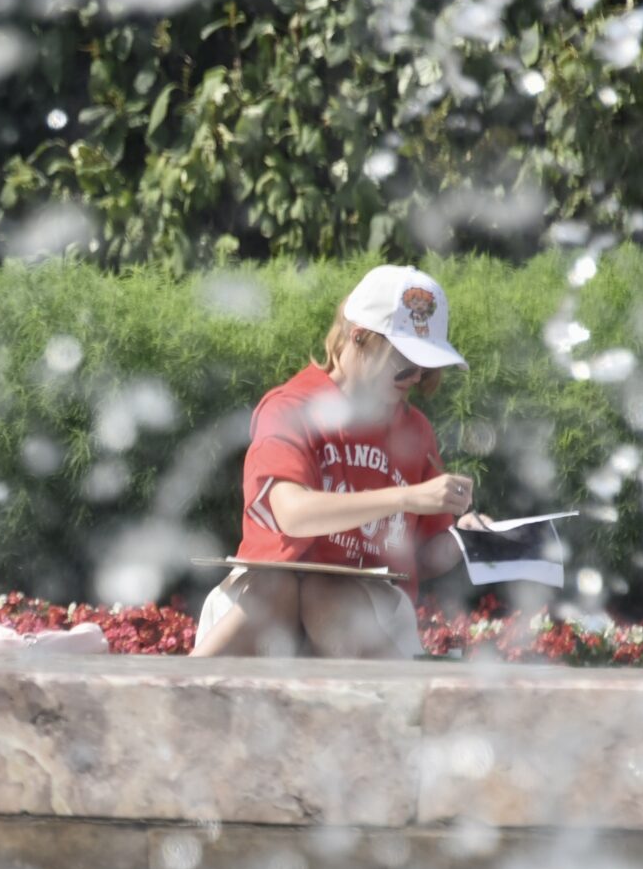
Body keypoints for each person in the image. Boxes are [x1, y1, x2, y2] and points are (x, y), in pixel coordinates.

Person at [190, 265, 489, 659]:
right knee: (278, 587)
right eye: (407, 361)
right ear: (358, 336)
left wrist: (463, 541)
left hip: (359, 609)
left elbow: (420, 558)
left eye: (427, 366)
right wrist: (406, 497)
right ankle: (172, 700)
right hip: (268, 606)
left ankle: (396, 711)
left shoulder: (414, 430)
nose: (417, 377)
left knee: (326, 594)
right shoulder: (292, 407)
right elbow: (292, 514)